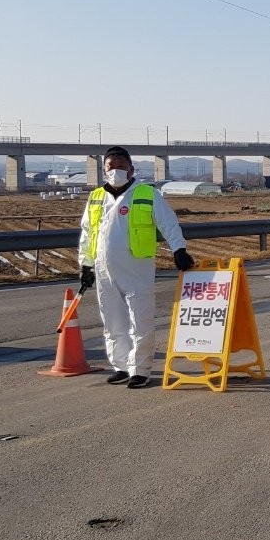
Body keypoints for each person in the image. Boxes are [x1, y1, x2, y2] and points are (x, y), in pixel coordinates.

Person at [78, 146, 195, 389]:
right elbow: (88, 234)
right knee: (112, 321)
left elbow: (168, 223)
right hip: (103, 268)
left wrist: (179, 249)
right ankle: (120, 366)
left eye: (121, 166)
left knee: (140, 320)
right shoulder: (96, 196)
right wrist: (86, 265)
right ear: (104, 170)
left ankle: (140, 369)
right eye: (112, 167)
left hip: (136, 267)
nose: (116, 170)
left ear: (131, 169)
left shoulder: (146, 193)